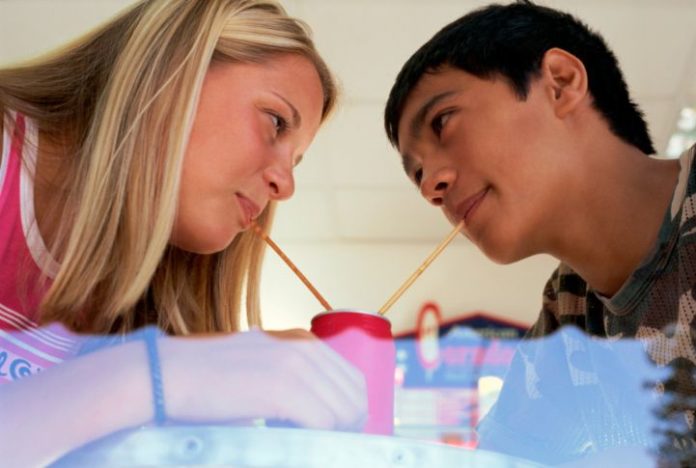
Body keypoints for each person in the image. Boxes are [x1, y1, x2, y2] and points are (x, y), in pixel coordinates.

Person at [0, 1, 366, 466]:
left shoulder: (142, 296)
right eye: (275, 121)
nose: (285, 185)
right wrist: (155, 375)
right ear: (173, 72)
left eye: (295, 162)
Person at [383, 0, 695, 464]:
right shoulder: (568, 311)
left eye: (443, 121)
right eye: (418, 174)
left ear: (560, 83)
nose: (431, 186)